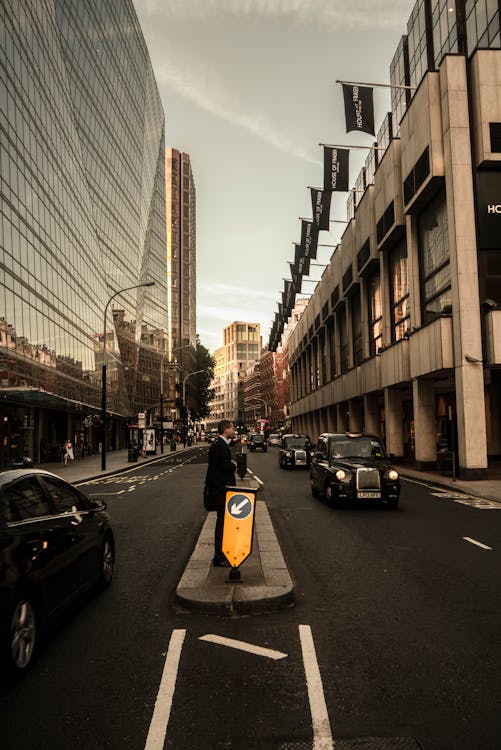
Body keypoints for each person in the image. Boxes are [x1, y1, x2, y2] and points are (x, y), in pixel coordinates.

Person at [204, 419, 236, 566]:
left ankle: (222, 554)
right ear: (225, 430)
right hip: (220, 490)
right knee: (222, 523)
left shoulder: (219, 445)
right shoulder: (220, 446)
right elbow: (224, 466)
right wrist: (233, 465)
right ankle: (219, 556)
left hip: (219, 489)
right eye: (232, 429)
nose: (234, 431)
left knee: (222, 522)